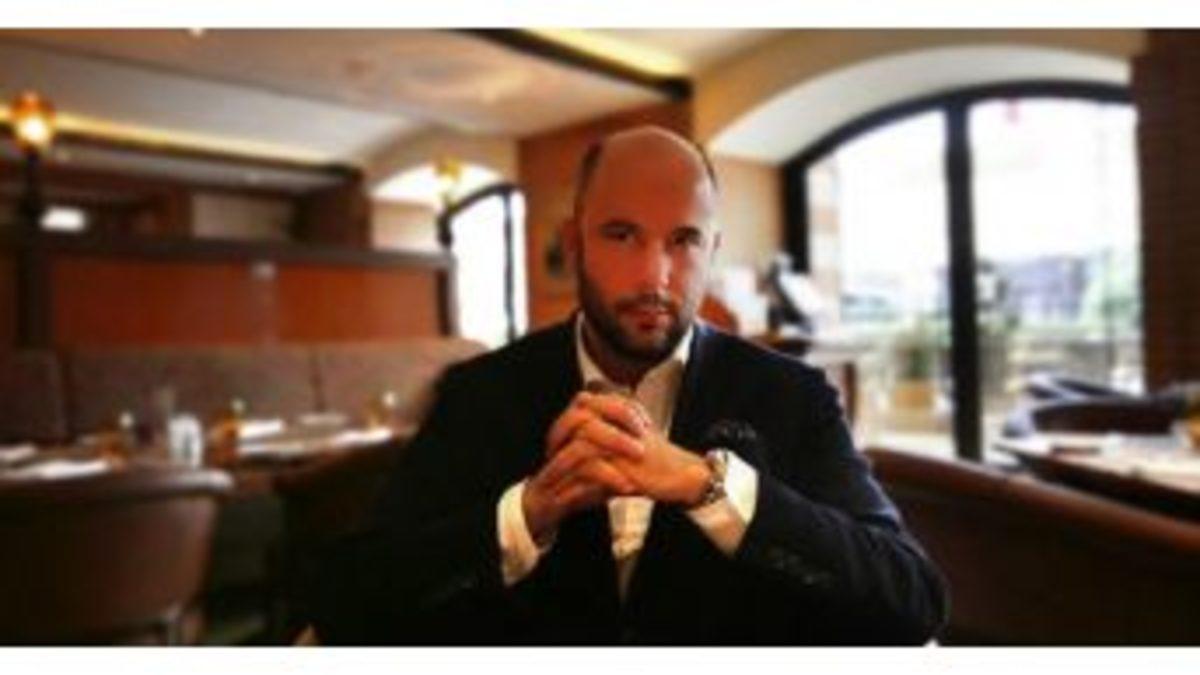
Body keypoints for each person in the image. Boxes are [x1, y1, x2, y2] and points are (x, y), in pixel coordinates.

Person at [308, 126, 947, 645]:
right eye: (620, 235)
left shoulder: (791, 395)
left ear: (712, 249)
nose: (654, 277)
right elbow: (345, 603)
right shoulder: (482, 392)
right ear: (574, 244)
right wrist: (528, 513)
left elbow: (911, 600)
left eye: (684, 240)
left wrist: (708, 486)